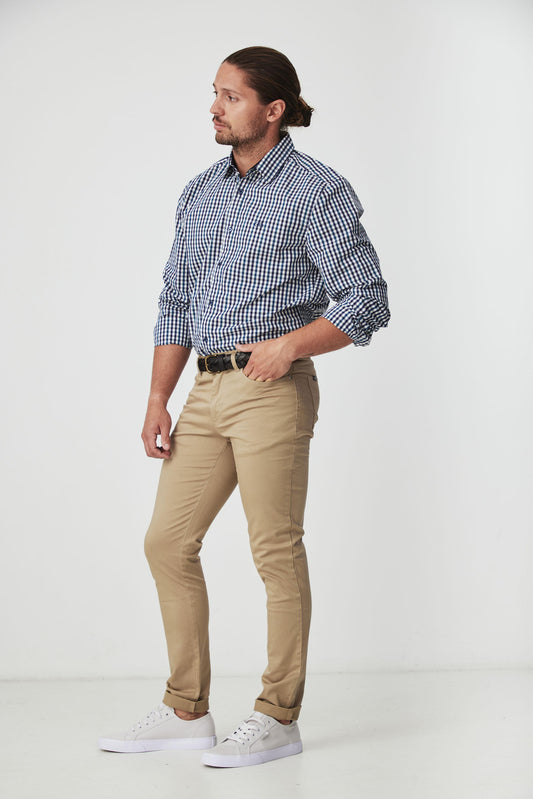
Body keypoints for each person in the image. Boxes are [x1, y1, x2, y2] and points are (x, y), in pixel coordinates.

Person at [98, 45, 390, 768]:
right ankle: (185, 709)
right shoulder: (199, 192)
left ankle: (277, 715)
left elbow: (367, 300)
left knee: (273, 550)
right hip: (204, 388)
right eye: (215, 93)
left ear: (273, 109)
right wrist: (158, 398)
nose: (215, 108)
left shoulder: (315, 189)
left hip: (271, 392)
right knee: (167, 541)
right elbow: (175, 299)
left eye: (230, 96)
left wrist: (289, 346)